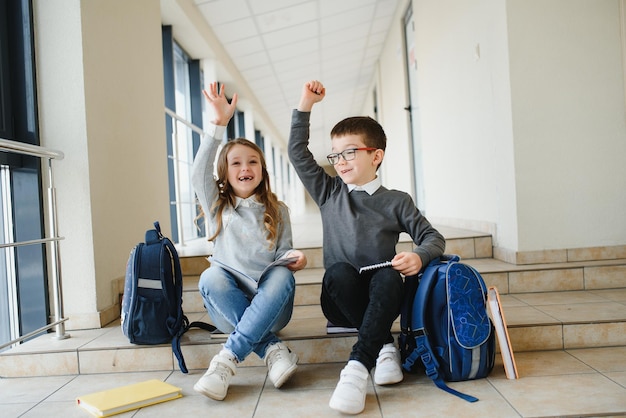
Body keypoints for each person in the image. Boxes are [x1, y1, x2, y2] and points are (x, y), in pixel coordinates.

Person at [288, 80, 445, 415]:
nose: (340, 161)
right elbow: (297, 153)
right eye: (336, 154)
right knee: (339, 273)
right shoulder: (329, 192)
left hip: (383, 295)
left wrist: (419, 256)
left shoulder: (397, 201)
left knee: (389, 278)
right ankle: (385, 345)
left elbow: (433, 238)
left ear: (376, 155)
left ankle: (357, 368)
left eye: (350, 152)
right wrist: (305, 105)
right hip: (338, 298)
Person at [192, 81, 307, 401]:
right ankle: (271, 349)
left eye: (252, 161)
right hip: (228, 309)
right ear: (224, 173)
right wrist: (218, 124)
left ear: (262, 169)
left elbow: (284, 252)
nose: (245, 167)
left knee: (282, 273)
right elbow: (198, 173)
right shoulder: (218, 205)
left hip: (273, 307)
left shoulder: (279, 210)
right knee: (210, 275)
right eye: (236, 162)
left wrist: (296, 258)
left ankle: (226, 361)